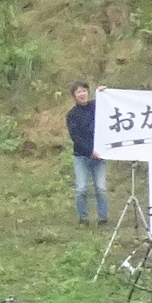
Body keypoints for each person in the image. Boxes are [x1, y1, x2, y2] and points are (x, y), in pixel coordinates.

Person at [65, 82, 107, 225]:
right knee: (81, 188)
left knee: (101, 188)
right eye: (78, 92)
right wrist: (90, 151)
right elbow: (75, 138)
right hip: (81, 156)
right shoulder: (71, 115)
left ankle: (103, 217)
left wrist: (103, 92)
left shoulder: (96, 107)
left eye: (84, 91)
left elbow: (107, 103)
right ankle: (83, 218)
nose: (82, 94)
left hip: (99, 156)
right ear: (74, 96)